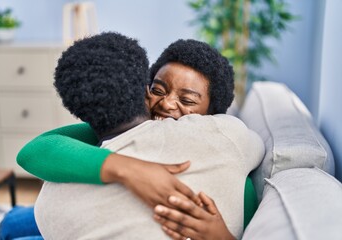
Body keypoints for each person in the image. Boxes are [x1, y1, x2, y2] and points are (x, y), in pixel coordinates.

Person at [33, 31, 264, 239]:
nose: (167, 103)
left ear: (214, 112)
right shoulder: (126, 128)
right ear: (144, 91)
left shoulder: (220, 138)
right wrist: (129, 170)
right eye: (158, 90)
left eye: (187, 100)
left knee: (15, 225)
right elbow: (40, 148)